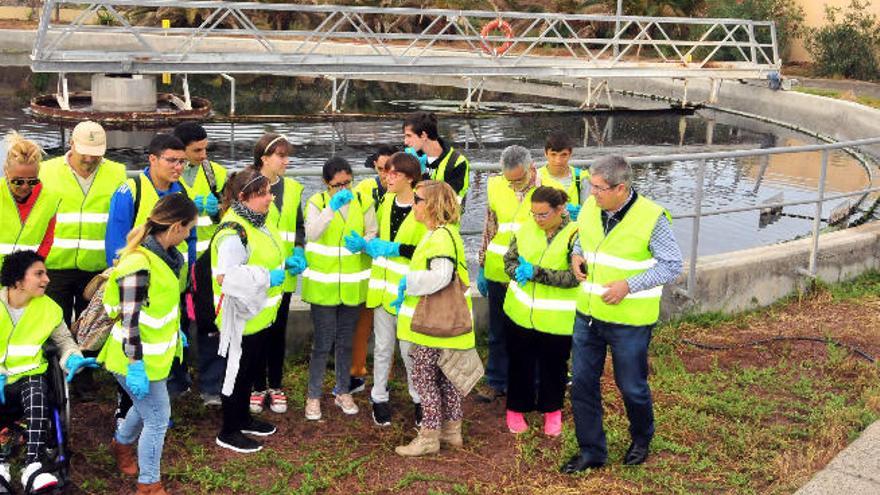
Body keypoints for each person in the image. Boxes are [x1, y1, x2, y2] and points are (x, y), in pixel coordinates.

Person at [561, 156, 683, 474]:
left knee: (631, 386)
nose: (592, 193)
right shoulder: (591, 206)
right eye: (591, 185)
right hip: (588, 315)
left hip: (629, 321)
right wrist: (576, 255)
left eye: (599, 188)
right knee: (583, 384)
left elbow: (671, 264)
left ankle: (641, 439)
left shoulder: (651, 217)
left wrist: (628, 285)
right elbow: (582, 238)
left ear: (621, 188)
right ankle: (592, 451)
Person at [97, 193, 197, 495]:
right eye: (190, 228)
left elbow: (158, 307)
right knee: (157, 418)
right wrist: (135, 365)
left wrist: (173, 334)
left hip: (155, 356)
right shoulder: (140, 263)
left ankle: (122, 444)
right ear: (176, 227)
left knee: (146, 409)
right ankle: (149, 483)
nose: (190, 235)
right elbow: (130, 320)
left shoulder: (165, 257)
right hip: (133, 359)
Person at [105, 133, 197, 421]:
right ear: (153, 159)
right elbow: (116, 245)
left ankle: (157, 403)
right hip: (139, 285)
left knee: (162, 344)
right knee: (134, 341)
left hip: (169, 285)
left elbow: (189, 239)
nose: (178, 167)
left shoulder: (181, 191)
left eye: (182, 161)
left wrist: (188, 276)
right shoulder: (131, 190)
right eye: (171, 160)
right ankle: (126, 409)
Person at [0, 250, 98, 492]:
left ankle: (33, 464)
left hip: (30, 377)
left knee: (36, 388)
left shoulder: (49, 308)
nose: (47, 279)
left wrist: (73, 359)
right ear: (18, 280)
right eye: (39, 274)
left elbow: (64, 341)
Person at [393, 180, 475, 456]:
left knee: (424, 376)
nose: (413, 204)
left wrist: (409, 280)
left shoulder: (439, 237)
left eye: (417, 199)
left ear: (431, 205)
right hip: (449, 323)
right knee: (447, 377)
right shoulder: (446, 232)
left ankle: (429, 436)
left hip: (434, 326)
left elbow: (441, 276)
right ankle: (452, 431)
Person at [210, 168, 286, 453]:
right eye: (263, 193)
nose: (270, 198)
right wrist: (268, 277)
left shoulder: (257, 221)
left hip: (259, 314)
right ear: (243, 198)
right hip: (240, 316)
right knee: (236, 373)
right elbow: (226, 277)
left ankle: (243, 418)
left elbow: (265, 255)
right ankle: (228, 430)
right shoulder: (233, 231)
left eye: (269, 191)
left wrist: (286, 264)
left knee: (249, 369)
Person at [301, 156, 377, 421]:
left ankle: (343, 390)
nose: (344, 190)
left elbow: (373, 232)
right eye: (337, 185)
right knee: (322, 344)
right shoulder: (317, 202)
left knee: (346, 343)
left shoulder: (364, 201)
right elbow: (312, 233)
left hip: (352, 288)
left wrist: (365, 242)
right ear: (326, 183)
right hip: (324, 288)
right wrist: (331, 208)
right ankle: (313, 396)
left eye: (348, 183)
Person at [502, 186, 579, 437]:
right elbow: (509, 261)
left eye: (543, 214)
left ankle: (552, 411)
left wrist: (536, 273)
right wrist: (517, 272)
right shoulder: (525, 229)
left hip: (556, 318)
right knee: (519, 363)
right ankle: (516, 409)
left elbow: (575, 277)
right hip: (520, 313)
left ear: (560, 210)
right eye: (533, 213)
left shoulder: (575, 235)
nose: (537, 219)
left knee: (554, 366)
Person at [40, 121, 127, 326]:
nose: (89, 158)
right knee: (51, 326)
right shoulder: (45, 171)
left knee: (90, 328)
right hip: (53, 267)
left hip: (96, 270)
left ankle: (87, 358)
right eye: (84, 152)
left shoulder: (118, 173)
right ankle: (54, 359)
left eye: (95, 153)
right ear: (71, 144)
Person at [363, 152, 426, 426]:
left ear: (409, 179)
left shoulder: (423, 207)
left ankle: (419, 399)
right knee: (383, 347)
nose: (387, 178)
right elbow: (377, 236)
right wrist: (367, 244)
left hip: (410, 293)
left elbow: (427, 251)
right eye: (386, 173)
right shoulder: (386, 201)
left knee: (410, 350)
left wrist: (395, 249)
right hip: (382, 290)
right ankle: (378, 397)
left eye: (394, 174)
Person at [475, 145, 540, 403]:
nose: (513, 185)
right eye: (508, 179)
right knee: (498, 331)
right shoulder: (496, 186)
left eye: (519, 180)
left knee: (530, 331)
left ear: (531, 168)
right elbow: (489, 227)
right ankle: (496, 381)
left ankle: (531, 383)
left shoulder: (546, 188)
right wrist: (481, 264)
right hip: (498, 270)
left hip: (529, 273)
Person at [249, 133, 305, 415]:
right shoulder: (247, 184)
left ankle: (276, 385)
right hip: (259, 275)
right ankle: (257, 387)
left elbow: (299, 226)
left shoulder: (293, 188)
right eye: (281, 156)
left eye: (287, 155)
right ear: (264, 159)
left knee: (277, 332)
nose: (286, 161)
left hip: (284, 276)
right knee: (257, 331)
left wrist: (299, 250)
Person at [349, 144, 396, 393]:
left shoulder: (403, 191)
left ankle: (385, 377)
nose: (384, 175)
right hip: (367, 266)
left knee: (387, 328)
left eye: (389, 170)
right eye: (380, 169)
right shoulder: (364, 189)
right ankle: (356, 373)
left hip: (393, 267)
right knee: (362, 323)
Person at [0, 132, 59, 269]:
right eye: (18, 181)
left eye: (32, 181)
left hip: (26, 281)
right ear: (6, 171)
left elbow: (47, 241)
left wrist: (31, 273)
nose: (25, 187)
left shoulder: (50, 200)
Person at [172, 122, 228, 258]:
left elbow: (231, 215)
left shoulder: (217, 173)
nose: (204, 155)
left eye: (205, 149)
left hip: (210, 257)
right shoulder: (165, 175)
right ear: (180, 149)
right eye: (197, 150)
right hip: (178, 257)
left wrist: (216, 213)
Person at [402, 112, 470, 204]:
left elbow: (452, 204)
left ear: (423, 135)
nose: (405, 142)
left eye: (409, 136)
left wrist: (422, 173)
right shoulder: (409, 155)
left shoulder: (457, 162)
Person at [537, 131, 589, 220]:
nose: (558, 160)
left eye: (563, 155)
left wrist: (583, 214)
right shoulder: (536, 177)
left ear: (570, 154)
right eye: (553, 154)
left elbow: (589, 211)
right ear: (545, 154)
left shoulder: (582, 177)